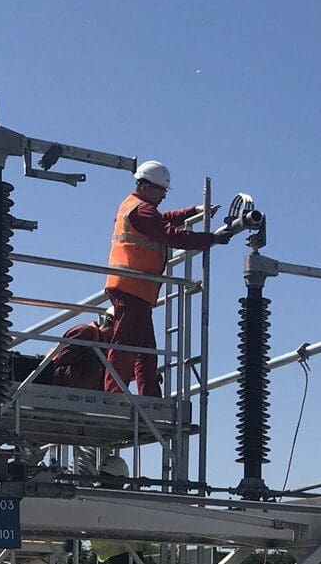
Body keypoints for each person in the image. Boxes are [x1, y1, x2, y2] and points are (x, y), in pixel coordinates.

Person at [96, 160, 231, 395]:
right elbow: (169, 234)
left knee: (146, 348)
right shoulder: (141, 210)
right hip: (132, 287)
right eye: (161, 190)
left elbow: (163, 219)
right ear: (147, 186)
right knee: (126, 343)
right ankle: (113, 395)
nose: (163, 196)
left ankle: (149, 395)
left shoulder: (135, 207)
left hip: (135, 289)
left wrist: (193, 211)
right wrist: (211, 239)